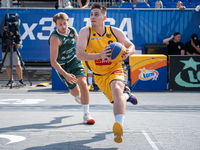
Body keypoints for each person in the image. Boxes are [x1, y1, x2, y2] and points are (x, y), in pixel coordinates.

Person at [76, 3, 138, 143]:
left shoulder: (115, 31)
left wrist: (129, 51)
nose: (93, 17)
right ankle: (127, 95)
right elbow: (79, 54)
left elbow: (131, 46)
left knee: (117, 90)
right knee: (117, 98)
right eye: (91, 14)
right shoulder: (85, 32)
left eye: (96, 14)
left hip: (116, 69)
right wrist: (100, 55)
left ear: (104, 17)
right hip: (99, 75)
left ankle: (119, 126)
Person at [48, 12, 95, 124]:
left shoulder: (72, 31)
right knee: (76, 92)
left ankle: (86, 115)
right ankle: (77, 95)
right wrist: (66, 75)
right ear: (56, 26)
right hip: (62, 66)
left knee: (83, 83)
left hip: (74, 60)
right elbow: (53, 62)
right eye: (60, 24)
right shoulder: (55, 38)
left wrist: (91, 54)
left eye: (65, 23)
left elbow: (80, 45)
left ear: (68, 22)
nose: (64, 26)